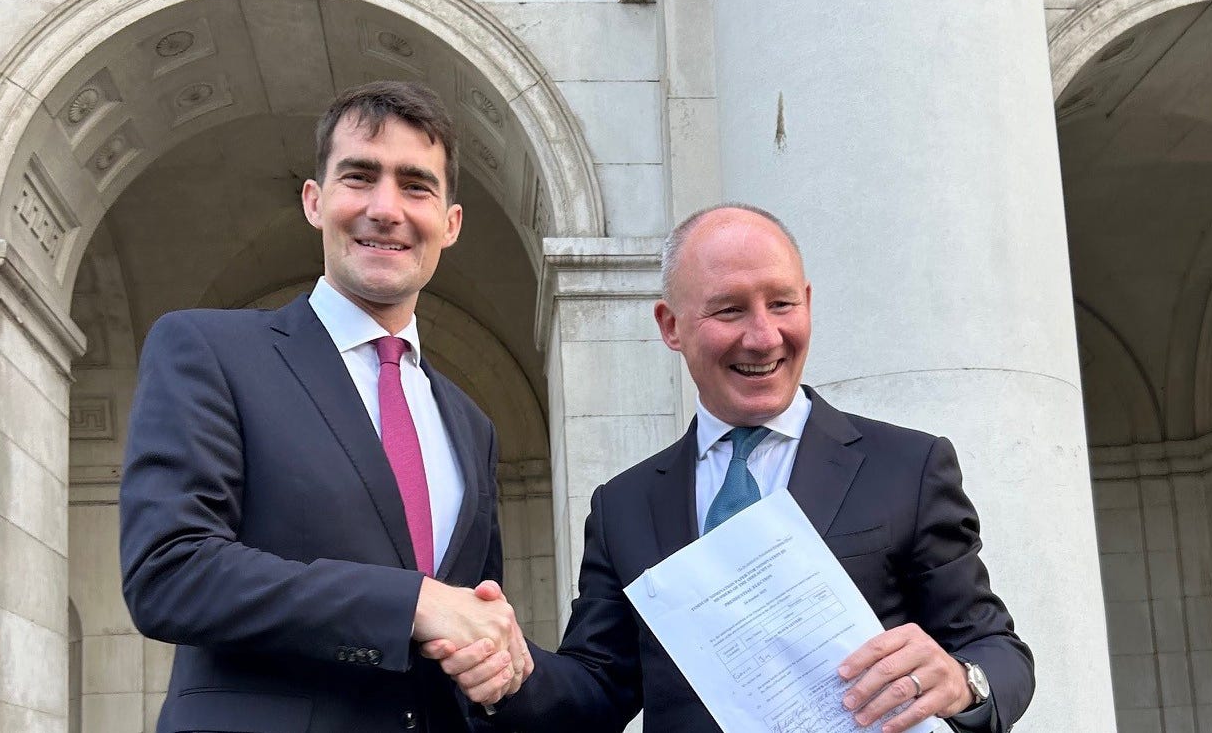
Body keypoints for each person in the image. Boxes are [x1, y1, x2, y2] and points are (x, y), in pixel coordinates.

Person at [428, 204, 1034, 733]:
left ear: (809, 304)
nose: (763, 335)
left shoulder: (908, 466)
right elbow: (596, 691)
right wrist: (512, 671)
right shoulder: (625, 505)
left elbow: (997, 650)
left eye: (781, 303)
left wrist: (964, 679)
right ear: (671, 326)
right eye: (729, 311)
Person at [120, 80, 529, 733]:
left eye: (415, 185)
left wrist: (493, 665)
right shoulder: (207, 349)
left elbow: (460, 619)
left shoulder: (469, 425)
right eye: (359, 177)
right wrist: (411, 603)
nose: (385, 208)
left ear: (449, 223)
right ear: (315, 201)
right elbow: (170, 573)